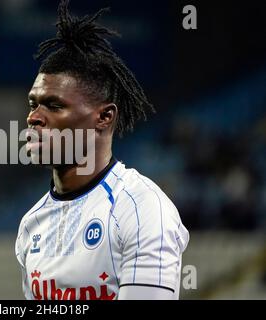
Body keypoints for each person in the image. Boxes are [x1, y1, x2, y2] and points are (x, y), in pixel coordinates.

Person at [15, 0, 189, 300]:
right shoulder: (31, 224)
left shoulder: (141, 209)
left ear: (104, 117)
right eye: (34, 104)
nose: (34, 117)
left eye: (54, 105)